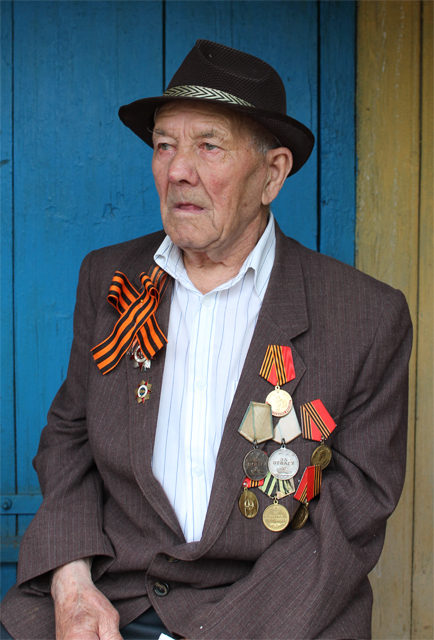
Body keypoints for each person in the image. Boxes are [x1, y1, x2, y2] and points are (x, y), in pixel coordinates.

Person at [1, 40, 412, 640]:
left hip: (273, 616)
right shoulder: (111, 278)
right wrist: (71, 580)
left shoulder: (365, 316)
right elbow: (70, 437)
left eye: (209, 146)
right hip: (119, 603)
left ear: (273, 174)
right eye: (164, 145)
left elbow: (352, 516)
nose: (177, 171)